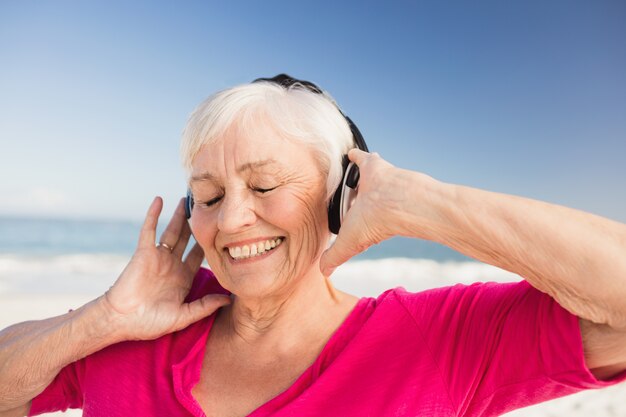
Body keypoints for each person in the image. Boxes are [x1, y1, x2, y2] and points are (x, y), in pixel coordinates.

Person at [0, 74, 625, 417]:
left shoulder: (437, 341)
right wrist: (100, 321)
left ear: (339, 199)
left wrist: (424, 203)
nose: (233, 219)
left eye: (265, 185)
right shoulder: (135, 334)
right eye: (209, 196)